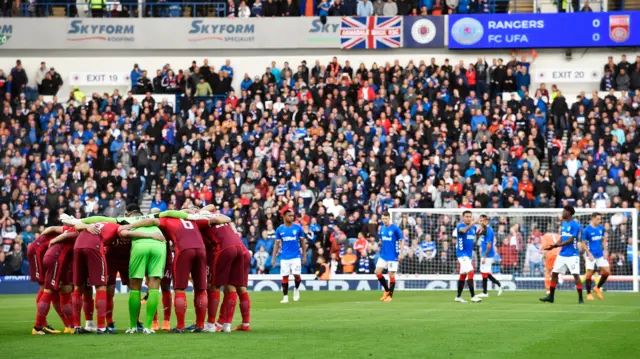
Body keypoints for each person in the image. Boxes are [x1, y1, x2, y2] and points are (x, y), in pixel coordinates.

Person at [121, 214, 209, 333]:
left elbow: (126, 231)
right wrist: (192, 212)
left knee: (139, 288)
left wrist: (130, 226)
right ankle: (200, 325)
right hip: (182, 248)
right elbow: (218, 218)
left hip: (175, 249)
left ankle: (175, 326)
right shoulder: (191, 219)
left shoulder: (164, 219)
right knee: (199, 289)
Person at [193, 210, 251, 333]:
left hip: (225, 249)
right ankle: (228, 325)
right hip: (241, 248)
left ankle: (211, 325)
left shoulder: (198, 220)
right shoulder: (217, 214)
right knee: (235, 287)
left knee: (214, 286)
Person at [70, 222, 124, 334]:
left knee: (78, 287)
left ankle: (77, 327)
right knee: (101, 286)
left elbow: (75, 225)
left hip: (77, 246)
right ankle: (101, 327)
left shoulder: (93, 223)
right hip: (94, 247)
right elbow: (126, 231)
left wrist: (86, 226)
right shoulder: (116, 226)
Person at [33, 226, 76, 335]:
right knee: (49, 291)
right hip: (57, 258)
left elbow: (54, 229)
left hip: (61, 259)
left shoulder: (75, 228)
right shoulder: (79, 231)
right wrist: (52, 241)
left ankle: (71, 326)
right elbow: (65, 234)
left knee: (64, 290)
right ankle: (38, 327)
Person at [540, 205, 584, 304]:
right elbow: (562, 237)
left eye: (564, 211)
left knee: (576, 276)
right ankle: (551, 297)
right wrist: (554, 245)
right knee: (554, 274)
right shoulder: (564, 223)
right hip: (562, 254)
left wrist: (557, 245)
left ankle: (580, 298)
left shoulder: (575, 225)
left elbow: (571, 239)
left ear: (569, 213)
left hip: (572, 255)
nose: (562, 213)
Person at [272, 210, 306, 304]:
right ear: (284, 217)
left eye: (292, 215)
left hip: (296, 256)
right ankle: (285, 297)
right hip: (284, 257)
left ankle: (296, 288)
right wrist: (274, 258)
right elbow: (276, 244)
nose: (292, 217)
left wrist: (304, 256)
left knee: (296, 275)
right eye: (289, 215)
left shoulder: (298, 228)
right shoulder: (280, 229)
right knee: (285, 277)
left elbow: (303, 243)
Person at [375, 211, 404, 302]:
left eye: (386, 218)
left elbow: (401, 241)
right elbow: (382, 240)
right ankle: (387, 290)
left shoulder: (395, 228)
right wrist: (378, 245)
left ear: (389, 218)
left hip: (393, 255)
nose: (384, 220)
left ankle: (390, 296)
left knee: (391, 274)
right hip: (383, 255)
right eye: (383, 218)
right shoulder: (382, 228)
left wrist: (401, 253)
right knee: (377, 272)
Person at [455, 211, 482, 303]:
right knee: (471, 271)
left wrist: (483, 224)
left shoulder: (474, 228)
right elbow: (464, 231)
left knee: (463, 275)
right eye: (466, 216)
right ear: (462, 217)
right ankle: (473, 296)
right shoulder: (460, 226)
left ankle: (458, 296)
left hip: (468, 255)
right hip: (462, 254)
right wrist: (474, 222)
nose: (468, 218)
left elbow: (481, 232)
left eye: (470, 217)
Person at [582, 213, 610, 300]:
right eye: (598, 219)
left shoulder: (601, 228)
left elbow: (603, 240)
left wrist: (605, 250)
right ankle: (588, 294)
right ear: (593, 218)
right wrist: (589, 254)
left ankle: (597, 288)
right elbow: (583, 244)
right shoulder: (587, 230)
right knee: (589, 273)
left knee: (607, 272)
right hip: (591, 255)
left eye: (600, 219)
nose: (599, 221)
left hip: (600, 254)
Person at [477, 215, 503, 298]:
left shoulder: (489, 230)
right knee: (484, 272)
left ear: (486, 221)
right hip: (484, 254)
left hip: (488, 255)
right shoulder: (483, 229)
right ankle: (489, 290)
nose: (481, 222)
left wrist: (484, 257)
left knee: (484, 273)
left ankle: (487, 291)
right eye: (480, 220)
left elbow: (489, 245)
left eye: (482, 220)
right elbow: (478, 233)